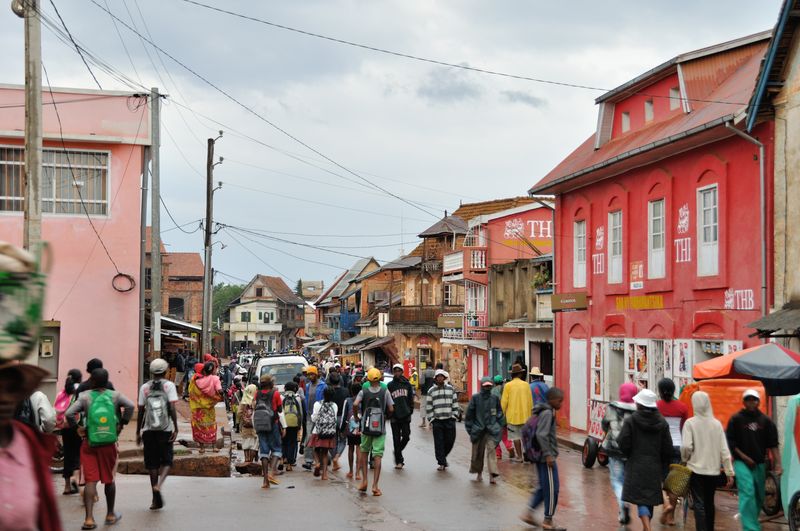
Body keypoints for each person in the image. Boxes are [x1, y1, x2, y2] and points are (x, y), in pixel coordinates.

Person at [66, 368, 135, 529]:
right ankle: (110, 515)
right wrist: (121, 425)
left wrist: (77, 428)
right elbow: (130, 407)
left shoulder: (85, 396)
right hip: (109, 443)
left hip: (89, 442)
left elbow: (69, 413)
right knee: (109, 479)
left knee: (90, 480)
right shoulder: (115, 395)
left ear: (93, 381)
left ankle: (89, 519)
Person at [0, 361, 62, 531]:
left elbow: (46, 512)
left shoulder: (30, 444)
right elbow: (49, 420)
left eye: (10, 390)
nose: (4, 398)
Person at [618, 389, 673, 531]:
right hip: (654, 465)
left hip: (636, 464)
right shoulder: (662, 422)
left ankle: (647, 527)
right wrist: (663, 463)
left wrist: (628, 454)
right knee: (648, 499)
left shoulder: (631, 420)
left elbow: (623, 442)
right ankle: (646, 526)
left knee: (641, 499)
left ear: (640, 405)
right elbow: (668, 448)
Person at [726, 389, 781, 531]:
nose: (751, 402)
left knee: (759, 495)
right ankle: (750, 527)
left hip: (759, 463)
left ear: (758, 401)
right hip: (741, 463)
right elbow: (731, 443)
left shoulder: (766, 421)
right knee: (748, 491)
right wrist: (744, 457)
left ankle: (750, 519)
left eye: (754, 399)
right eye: (748, 399)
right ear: (743, 402)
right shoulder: (736, 419)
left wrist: (778, 464)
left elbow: (773, 444)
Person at [681, 391, 735, 531]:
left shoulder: (690, 423)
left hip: (695, 470)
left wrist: (685, 459)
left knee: (699, 503)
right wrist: (729, 471)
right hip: (713, 471)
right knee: (710, 502)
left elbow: (686, 446)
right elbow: (724, 450)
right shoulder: (716, 424)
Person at [135, 358, 179, 511]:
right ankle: (159, 486)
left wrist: (138, 431)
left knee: (152, 464)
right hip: (165, 429)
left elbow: (141, 410)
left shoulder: (144, 388)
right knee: (167, 461)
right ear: (165, 371)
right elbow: (172, 408)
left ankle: (155, 499)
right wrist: (176, 427)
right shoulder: (169, 386)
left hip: (148, 430)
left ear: (151, 372)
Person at [520, 388, 566, 530]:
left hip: (539, 455)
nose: (561, 404)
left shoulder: (541, 410)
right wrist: (548, 454)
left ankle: (529, 513)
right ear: (552, 400)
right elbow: (541, 434)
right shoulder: (547, 413)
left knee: (543, 487)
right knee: (553, 489)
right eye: (560, 401)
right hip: (546, 457)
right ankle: (548, 520)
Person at [353, 368, 394, 496]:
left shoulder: (363, 390)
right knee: (377, 455)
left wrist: (356, 417)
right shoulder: (385, 391)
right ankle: (375, 486)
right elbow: (391, 408)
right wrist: (385, 416)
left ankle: (364, 481)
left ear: (368, 379)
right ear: (380, 378)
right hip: (379, 428)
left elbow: (355, 404)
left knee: (364, 452)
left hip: (366, 426)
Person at [601, 382, 638, 525]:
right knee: (627, 480)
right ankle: (624, 508)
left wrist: (610, 433)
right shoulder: (637, 410)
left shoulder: (612, 407)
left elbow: (604, 424)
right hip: (631, 451)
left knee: (616, 480)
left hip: (614, 449)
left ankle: (623, 504)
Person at [655, 378, 689, 525]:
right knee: (674, 483)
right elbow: (684, 428)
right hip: (677, 446)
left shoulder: (656, 406)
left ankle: (666, 506)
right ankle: (671, 517)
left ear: (660, 391)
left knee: (662, 480)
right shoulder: (682, 407)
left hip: (660, 447)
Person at [465, 376, 505, 484]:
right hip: (478, 430)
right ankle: (479, 473)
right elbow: (469, 415)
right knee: (478, 453)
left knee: (491, 452)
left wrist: (500, 425)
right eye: (485, 386)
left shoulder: (494, 399)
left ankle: (492, 474)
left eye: (489, 386)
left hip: (491, 430)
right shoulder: (475, 398)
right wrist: (471, 429)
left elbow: (499, 413)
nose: (487, 388)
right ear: (482, 386)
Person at [54, 368, 83, 495]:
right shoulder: (81, 389)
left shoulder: (63, 391)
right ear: (79, 378)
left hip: (65, 426)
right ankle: (74, 477)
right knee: (78, 453)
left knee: (68, 454)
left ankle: (66, 487)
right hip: (77, 425)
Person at [254, 374, 285, 489]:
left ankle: (265, 481)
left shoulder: (257, 394)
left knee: (264, 451)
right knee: (276, 448)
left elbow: (254, 406)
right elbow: (280, 410)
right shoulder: (275, 394)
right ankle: (272, 473)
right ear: (271, 383)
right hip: (273, 424)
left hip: (260, 425)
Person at [426, 368, 460, 471]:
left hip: (449, 419)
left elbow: (455, 403)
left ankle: (443, 457)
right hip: (437, 421)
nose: (440, 378)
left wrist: (454, 415)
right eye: (438, 377)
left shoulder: (451, 389)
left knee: (450, 441)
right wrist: (432, 419)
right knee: (439, 442)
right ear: (435, 379)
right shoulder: (431, 391)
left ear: (444, 378)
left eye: (441, 376)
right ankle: (441, 462)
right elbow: (429, 407)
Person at [501, 363, 533, 463]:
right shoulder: (526, 385)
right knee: (525, 437)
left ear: (512, 375)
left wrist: (501, 414)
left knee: (515, 437)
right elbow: (530, 402)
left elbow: (504, 402)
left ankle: (519, 457)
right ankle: (527, 454)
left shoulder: (508, 386)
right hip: (525, 416)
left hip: (512, 417)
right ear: (520, 374)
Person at [188, 362, 223, 454]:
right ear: (212, 370)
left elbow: (190, 392)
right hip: (209, 409)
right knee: (211, 425)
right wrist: (219, 396)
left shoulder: (194, 380)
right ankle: (214, 447)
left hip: (197, 409)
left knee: (199, 427)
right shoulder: (215, 379)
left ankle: (202, 448)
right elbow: (220, 390)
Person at [387, 363, 415, 469]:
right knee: (396, 438)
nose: (397, 373)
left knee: (406, 436)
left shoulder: (407, 384)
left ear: (402, 372)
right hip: (394, 416)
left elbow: (410, 399)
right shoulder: (390, 385)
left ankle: (397, 451)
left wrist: (410, 410)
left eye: (399, 371)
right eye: (395, 371)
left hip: (405, 414)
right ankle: (399, 460)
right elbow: (388, 401)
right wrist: (389, 413)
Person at [309, 386, 338, 480]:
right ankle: (324, 474)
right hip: (329, 432)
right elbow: (335, 419)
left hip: (317, 431)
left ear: (323, 394)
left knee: (315, 449)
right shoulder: (334, 405)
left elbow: (313, 418)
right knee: (325, 453)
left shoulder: (317, 404)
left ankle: (317, 463)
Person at [302, 366, 327, 470]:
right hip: (309, 415)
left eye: (312, 374)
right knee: (309, 437)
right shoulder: (307, 386)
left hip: (320, 416)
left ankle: (323, 460)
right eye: (308, 375)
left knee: (321, 438)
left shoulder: (323, 386)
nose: (310, 376)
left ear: (316, 375)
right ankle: (308, 461)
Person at [327, 372, 349, 471]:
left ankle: (334, 458)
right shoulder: (346, 391)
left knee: (332, 440)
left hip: (331, 418)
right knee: (343, 440)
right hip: (342, 418)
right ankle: (336, 457)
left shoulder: (328, 391)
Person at [281, 381, 304, 471]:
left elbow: (280, 411)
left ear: (285, 389)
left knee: (283, 442)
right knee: (292, 443)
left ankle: (283, 459)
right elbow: (300, 413)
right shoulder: (297, 398)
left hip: (284, 423)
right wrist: (300, 424)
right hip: (294, 423)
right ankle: (289, 465)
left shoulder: (281, 397)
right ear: (295, 389)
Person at [492, 375, 515, 460]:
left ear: (494, 383)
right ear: (502, 382)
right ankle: (509, 447)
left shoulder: (492, 392)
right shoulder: (506, 389)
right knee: (505, 435)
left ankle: (498, 454)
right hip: (505, 417)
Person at [345, 382, 362, 480]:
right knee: (358, 448)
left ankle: (351, 471)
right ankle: (358, 473)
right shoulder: (362, 401)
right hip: (359, 428)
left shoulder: (347, 400)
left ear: (351, 391)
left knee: (350, 448)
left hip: (350, 428)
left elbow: (344, 414)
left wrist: (343, 428)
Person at [238, 384, 259, 463]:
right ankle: (251, 460)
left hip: (245, 426)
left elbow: (239, 413)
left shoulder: (243, 401)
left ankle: (246, 459)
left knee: (245, 443)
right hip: (254, 426)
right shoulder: (255, 401)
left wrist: (244, 419)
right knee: (253, 444)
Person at [419, 361, 435, 428]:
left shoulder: (424, 372)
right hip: (433, 392)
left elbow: (422, 382)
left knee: (423, 406)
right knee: (432, 407)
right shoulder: (435, 372)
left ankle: (423, 422)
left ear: (426, 365)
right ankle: (431, 423)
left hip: (425, 392)